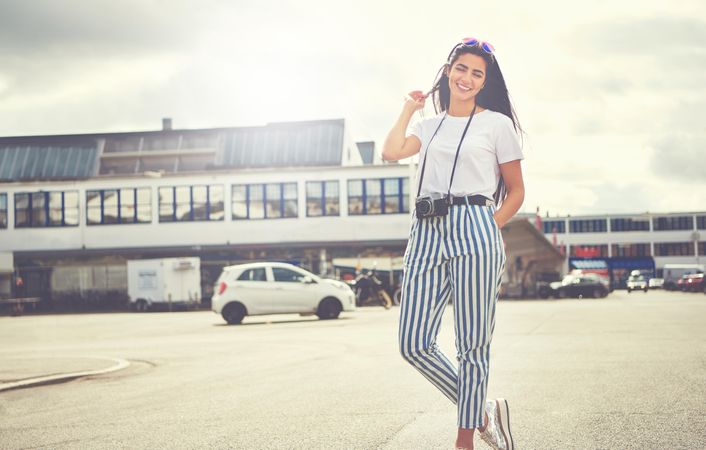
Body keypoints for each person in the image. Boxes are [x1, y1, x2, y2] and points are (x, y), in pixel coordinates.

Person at [382, 37, 525, 450]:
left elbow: (515, 191)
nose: (467, 78)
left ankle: (466, 440)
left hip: (475, 224)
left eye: (476, 73)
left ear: (483, 83)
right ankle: (482, 413)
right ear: (448, 71)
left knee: (472, 344)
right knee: (413, 344)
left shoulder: (496, 125)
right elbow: (391, 151)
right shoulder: (427, 127)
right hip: (425, 230)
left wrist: (486, 225)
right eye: (461, 68)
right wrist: (409, 109)